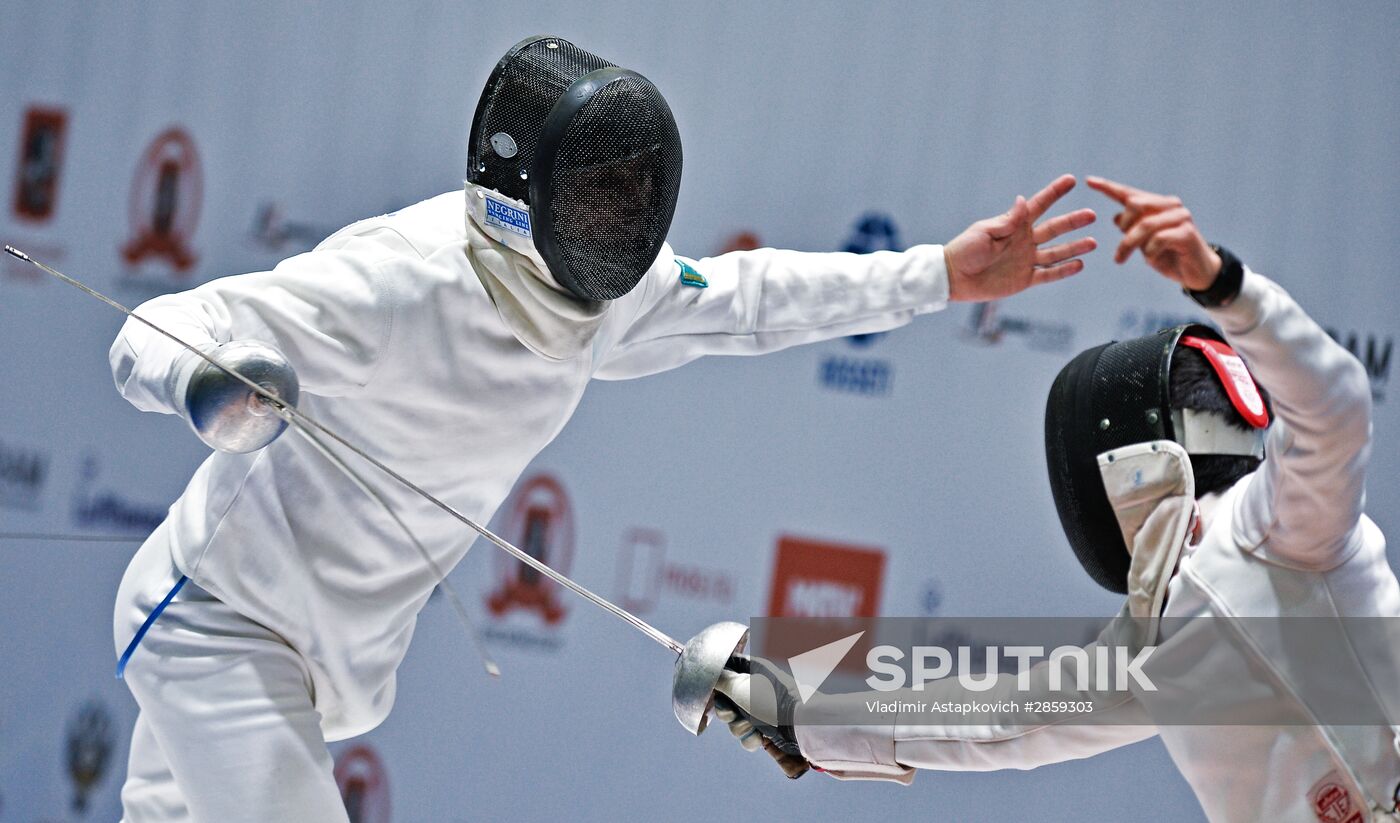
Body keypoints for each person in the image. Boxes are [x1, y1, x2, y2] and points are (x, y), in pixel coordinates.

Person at [107, 34, 1098, 822]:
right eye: (598, 189)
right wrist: (203, 379)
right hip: (218, 624)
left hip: (328, 656)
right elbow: (162, 326)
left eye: (632, 188)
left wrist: (938, 274)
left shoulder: (600, 292)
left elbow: (752, 297)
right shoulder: (397, 281)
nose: (622, 213)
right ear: (525, 194)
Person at [716, 177, 1400, 822]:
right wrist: (804, 721)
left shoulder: (1284, 523)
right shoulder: (1151, 632)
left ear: (1129, 462)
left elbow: (1336, 404)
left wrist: (1227, 286)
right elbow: (1005, 719)